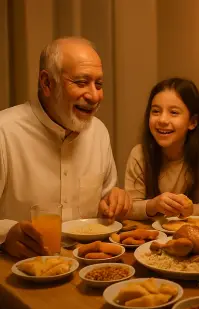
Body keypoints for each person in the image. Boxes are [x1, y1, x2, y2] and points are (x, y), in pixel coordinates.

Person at [0, 37, 131, 258]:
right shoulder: (5, 131)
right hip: (20, 277)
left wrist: (114, 202)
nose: (94, 96)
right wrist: (4, 235)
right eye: (81, 83)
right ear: (47, 83)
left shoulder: (98, 132)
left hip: (89, 268)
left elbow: (106, 204)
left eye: (98, 84)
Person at [124, 78, 199, 220]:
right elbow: (129, 209)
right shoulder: (139, 154)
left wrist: (191, 209)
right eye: (156, 111)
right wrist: (153, 205)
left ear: (193, 122)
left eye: (174, 113)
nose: (163, 120)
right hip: (152, 236)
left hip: (192, 234)